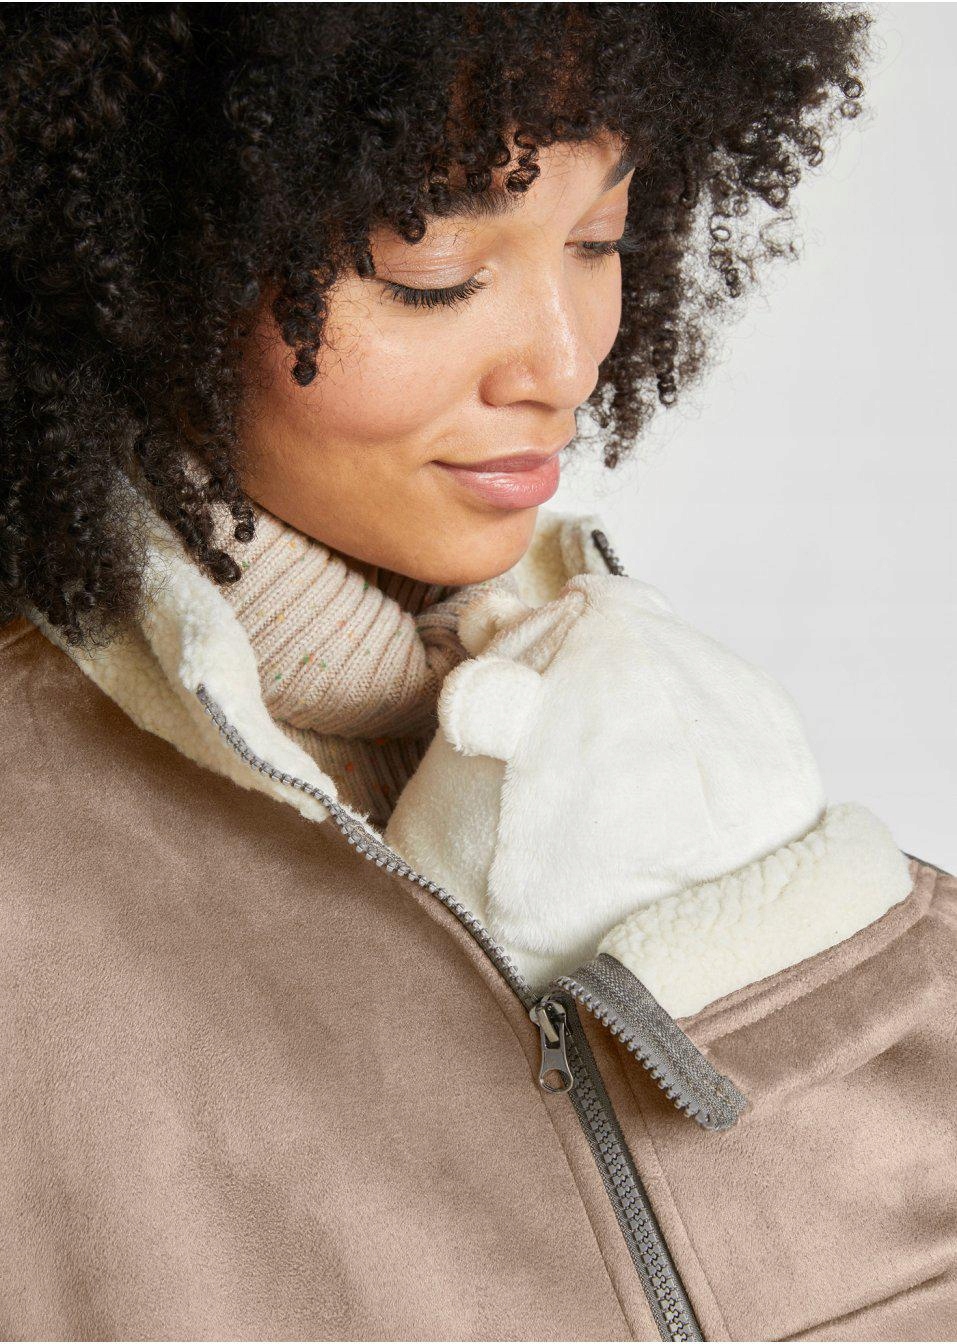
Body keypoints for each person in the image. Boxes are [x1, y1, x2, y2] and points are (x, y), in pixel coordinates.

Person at [1, 5, 953, 1340]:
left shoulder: (637, 696)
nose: (563, 364)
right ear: (146, 258)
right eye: (434, 273)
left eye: (597, 241)